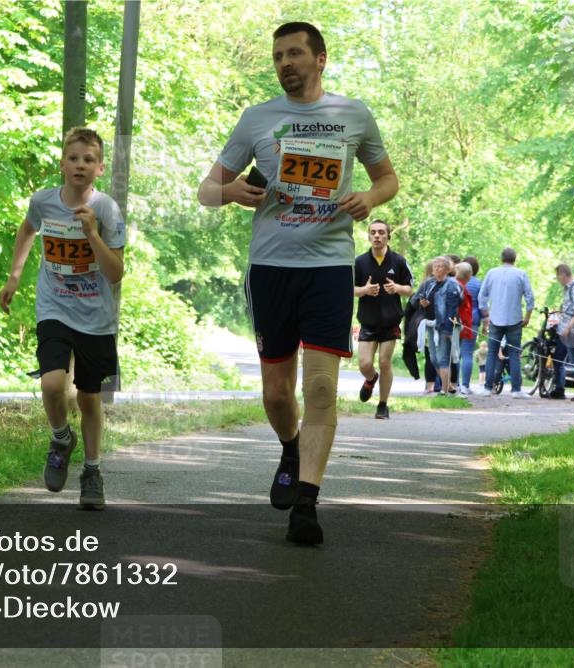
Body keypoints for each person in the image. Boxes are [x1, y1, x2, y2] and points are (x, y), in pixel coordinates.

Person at [197, 21, 399, 545]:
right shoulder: (258, 119)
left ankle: (306, 505)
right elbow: (206, 190)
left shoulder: (351, 115)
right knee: (276, 392)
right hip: (271, 269)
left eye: (294, 54)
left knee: (322, 387)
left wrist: (370, 200)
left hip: (329, 269)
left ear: (320, 59)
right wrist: (233, 192)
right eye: (278, 56)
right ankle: (290, 446)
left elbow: (387, 179)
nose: (285, 63)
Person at [0, 127, 125, 509]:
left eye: (89, 160)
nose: (80, 166)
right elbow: (27, 229)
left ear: (99, 168)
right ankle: (59, 437)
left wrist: (92, 234)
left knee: (89, 399)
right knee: (53, 384)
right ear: (62, 165)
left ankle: (92, 469)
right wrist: (15, 275)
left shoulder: (106, 210)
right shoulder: (43, 202)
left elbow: (116, 272)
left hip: (96, 318)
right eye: (74, 159)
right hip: (54, 308)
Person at [354, 219, 413, 419]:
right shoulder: (360, 262)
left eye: (381, 232)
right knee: (364, 364)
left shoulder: (398, 261)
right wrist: (364, 290)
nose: (377, 236)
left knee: (385, 362)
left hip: (390, 321)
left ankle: (382, 404)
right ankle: (371, 379)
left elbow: (410, 289)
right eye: (373, 233)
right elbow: (349, 289)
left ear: (388, 236)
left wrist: (397, 288)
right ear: (369, 236)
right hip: (368, 321)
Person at [477, 247, 534, 397]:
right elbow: (529, 296)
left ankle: (488, 387)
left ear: (501, 258)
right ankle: (516, 389)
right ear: (515, 259)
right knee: (514, 353)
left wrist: (485, 315)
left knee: (492, 353)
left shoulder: (492, 273)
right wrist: (528, 315)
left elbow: (482, 296)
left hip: (495, 318)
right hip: (515, 319)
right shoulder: (521, 274)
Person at [412, 257, 463, 395]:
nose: (436, 268)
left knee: (443, 358)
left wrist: (448, 331)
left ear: (447, 269)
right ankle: (448, 386)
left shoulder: (452, 285)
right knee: (434, 359)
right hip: (430, 325)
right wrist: (421, 303)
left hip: (445, 326)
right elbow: (414, 300)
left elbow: (453, 308)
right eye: (435, 265)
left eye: (440, 266)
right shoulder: (428, 284)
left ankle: (444, 391)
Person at [550, 264, 574, 401]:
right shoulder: (567, 289)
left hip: (572, 332)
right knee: (557, 358)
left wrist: (568, 327)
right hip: (564, 331)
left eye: (558, 276)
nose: (557, 279)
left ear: (563, 274)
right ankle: (559, 389)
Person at [454, 261, 476, 395]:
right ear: (469, 275)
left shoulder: (458, 286)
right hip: (458, 326)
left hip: (461, 325)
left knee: (456, 355)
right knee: (458, 355)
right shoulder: (458, 288)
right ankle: (457, 385)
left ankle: (455, 384)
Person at [461, 255, 482, 391]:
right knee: (467, 353)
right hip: (472, 320)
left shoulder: (456, 282)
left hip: (457, 319)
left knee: (455, 353)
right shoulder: (479, 284)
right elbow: (482, 304)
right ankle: (465, 385)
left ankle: (453, 384)